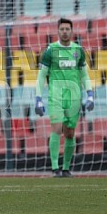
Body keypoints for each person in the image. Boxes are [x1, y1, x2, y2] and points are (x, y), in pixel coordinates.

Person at [35, 18, 94, 178]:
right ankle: (55, 168)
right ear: (58, 31)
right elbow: (42, 75)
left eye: (68, 29)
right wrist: (38, 97)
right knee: (56, 128)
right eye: (62, 29)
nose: (65, 31)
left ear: (72, 31)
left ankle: (66, 168)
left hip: (74, 97)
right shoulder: (50, 50)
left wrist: (90, 94)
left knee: (69, 133)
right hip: (56, 96)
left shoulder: (78, 50)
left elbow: (84, 74)